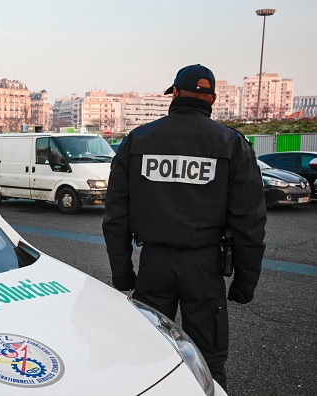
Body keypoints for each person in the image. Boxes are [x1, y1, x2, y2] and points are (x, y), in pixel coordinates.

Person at [102, 64, 266, 391]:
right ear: (213, 99)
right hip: (204, 269)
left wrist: (122, 272)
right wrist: (245, 282)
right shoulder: (231, 145)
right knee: (207, 360)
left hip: (154, 265)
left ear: (174, 94)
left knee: (147, 351)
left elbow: (116, 215)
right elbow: (249, 222)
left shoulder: (138, 140)